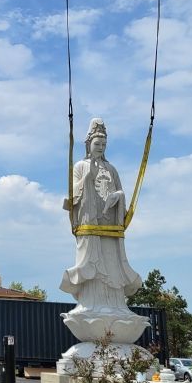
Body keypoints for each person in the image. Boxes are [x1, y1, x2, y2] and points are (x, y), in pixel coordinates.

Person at [60, 118, 142, 311]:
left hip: (110, 225)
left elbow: (120, 191)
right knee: (92, 264)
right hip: (90, 222)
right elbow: (74, 194)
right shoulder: (81, 166)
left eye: (104, 144)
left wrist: (118, 198)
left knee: (112, 264)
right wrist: (87, 178)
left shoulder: (111, 169)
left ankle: (115, 304)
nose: (101, 147)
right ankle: (90, 303)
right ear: (89, 144)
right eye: (97, 144)